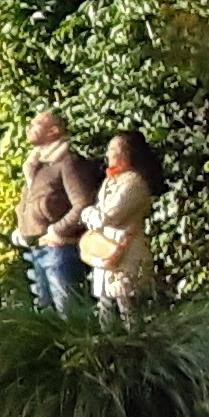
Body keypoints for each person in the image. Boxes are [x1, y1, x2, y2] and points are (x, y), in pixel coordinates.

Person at [18, 109, 101, 313]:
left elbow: (82, 204)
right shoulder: (37, 167)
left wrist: (57, 230)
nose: (29, 127)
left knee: (69, 314)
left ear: (53, 131)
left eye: (36, 124)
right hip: (37, 249)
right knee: (47, 315)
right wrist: (22, 229)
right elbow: (30, 203)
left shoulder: (67, 162)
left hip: (60, 249)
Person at [75, 128, 162, 320]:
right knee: (105, 308)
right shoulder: (110, 181)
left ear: (127, 152)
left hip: (127, 253)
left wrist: (89, 213)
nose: (108, 154)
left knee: (128, 307)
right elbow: (95, 216)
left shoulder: (135, 183)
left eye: (113, 149)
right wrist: (90, 214)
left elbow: (108, 217)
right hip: (105, 253)